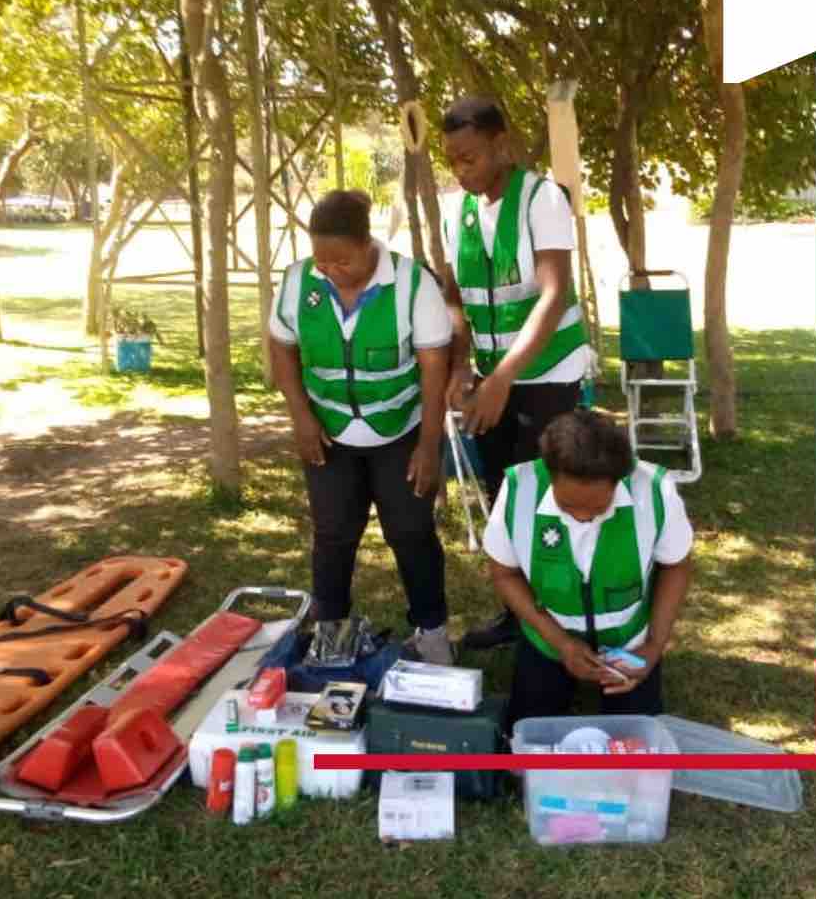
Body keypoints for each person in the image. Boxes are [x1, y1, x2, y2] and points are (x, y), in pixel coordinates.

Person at [268, 189, 455, 664]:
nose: (329, 268)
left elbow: (435, 368)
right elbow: (282, 346)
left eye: (341, 260)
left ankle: (432, 634)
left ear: (368, 243)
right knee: (332, 534)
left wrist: (429, 445)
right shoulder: (296, 282)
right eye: (320, 259)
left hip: (400, 431)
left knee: (411, 532)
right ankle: (332, 633)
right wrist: (301, 417)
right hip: (329, 434)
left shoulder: (414, 284)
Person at [440, 95, 590, 650]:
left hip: (548, 375)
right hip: (493, 376)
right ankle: (520, 614)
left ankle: (562, 617)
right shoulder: (458, 211)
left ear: (502, 146)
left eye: (471, 157)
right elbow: (455, 296)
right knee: (507, 495)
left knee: (550, 497)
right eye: (453, 159)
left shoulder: (541, 198)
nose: (461, 169)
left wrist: (500, 378)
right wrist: (461, 364)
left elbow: (553, 296)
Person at [482, 409, 693, 728]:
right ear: (548, 474)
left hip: (630, 643)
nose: (582, 517)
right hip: (548, 640)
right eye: (568, 506)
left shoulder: (655, 491)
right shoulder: (517, 490)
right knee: (525, 745)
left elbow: (676, 567)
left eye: (597, 508)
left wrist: (652, 648)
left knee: (635, 747)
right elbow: (504, 573)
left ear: (619, 480)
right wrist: (561, 643)